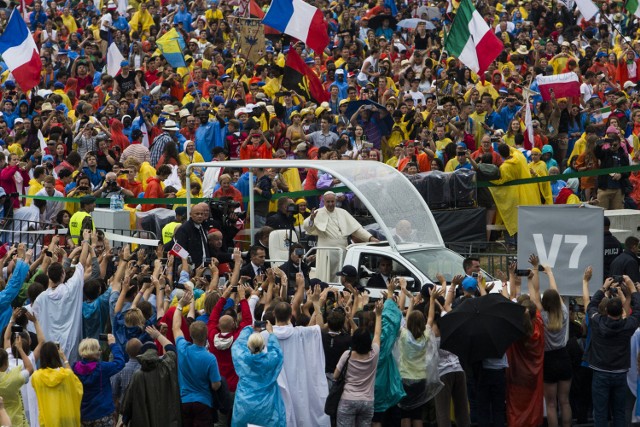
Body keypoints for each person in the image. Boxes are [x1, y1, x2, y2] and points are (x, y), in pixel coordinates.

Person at [272, 281, 330, 426]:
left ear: (274, 314)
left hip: (274, 386)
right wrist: (316, 303)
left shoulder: (266, 335)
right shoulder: (300, 333)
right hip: (298, 384)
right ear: (290, 315)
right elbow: (320, 328)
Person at [587, 275, 640, 427]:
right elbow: (637, 311)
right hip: (619, 373)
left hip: (600, 371)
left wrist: (603, 288)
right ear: (621, 311)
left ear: (606, 310)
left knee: (600, 412)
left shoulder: (597, 322)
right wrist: (632, 288)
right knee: (619, 412)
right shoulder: (628, 325)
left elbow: (591, 307)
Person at [33, 230, 91, 363]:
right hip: (70, 344)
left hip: (48, 347)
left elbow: (35, 319)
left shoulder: (41, 298)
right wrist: (86, 241)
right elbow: (81, 264)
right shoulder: (71, 288)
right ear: (63, 275)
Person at [529, 254, 572, 427]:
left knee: (552, 404)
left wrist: (534, 269)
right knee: (565, 402)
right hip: (564, 357)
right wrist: (549, 272)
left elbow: (534, 295)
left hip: (548, 360)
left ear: (544, 303)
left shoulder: (542, 317)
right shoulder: (564, 312)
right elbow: (555, 290)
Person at [303, 191, 378, 282]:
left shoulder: (343, 212)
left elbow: (356, 229)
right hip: (327, 253)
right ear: (324, 201)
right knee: (326, 278)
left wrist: (370, 238)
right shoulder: (317, 213)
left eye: (332, 201)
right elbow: (307, 227)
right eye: (328, 202)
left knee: (341, 277)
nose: (330, 204)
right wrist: (311, 219)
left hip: (342, 251)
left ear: (335, 201)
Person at [173, 290, 222, 426]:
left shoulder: (183, 349)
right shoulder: (210, 358)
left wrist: (180, 305)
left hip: (185, 401)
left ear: (190, 334)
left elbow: (176, 327)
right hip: (203, 402)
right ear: (206, 335)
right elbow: (216, 384)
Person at [121, 326, 181, 427]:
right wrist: (158, 335)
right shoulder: (166, 367)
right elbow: (172, 349)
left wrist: (125, 420)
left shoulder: (138, 375)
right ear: (156, 353)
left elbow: (128, 403)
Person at [335, 300, 383, 426]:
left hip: (348, 399)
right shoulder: (374, 354)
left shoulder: (347, 355)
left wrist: (350, 318)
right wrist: (378, 315)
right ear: (369, 342)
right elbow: (377, 334)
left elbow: (335, 376)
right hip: (367, 401)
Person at [231, 322, 285, 427]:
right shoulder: (271, 360)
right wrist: (271, 334)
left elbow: (238, 344)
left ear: (248, 345)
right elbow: (277, 352)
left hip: (244, 404)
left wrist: (250, 328)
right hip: (268, 406)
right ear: (263, 346)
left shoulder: (241, 357)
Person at [73, 335, 125, 425]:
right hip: (102, 413)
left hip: (84, 414)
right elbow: (120, 362)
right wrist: (113, 344)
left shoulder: (75, 368)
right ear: (96, 352)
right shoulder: (102, 368)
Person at [31, 342, 83, 427]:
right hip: (67, 417)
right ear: (56, 355)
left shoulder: (36, 376)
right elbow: (75, 384)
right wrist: (64, 358)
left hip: (48, 418)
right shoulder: (66, 374)